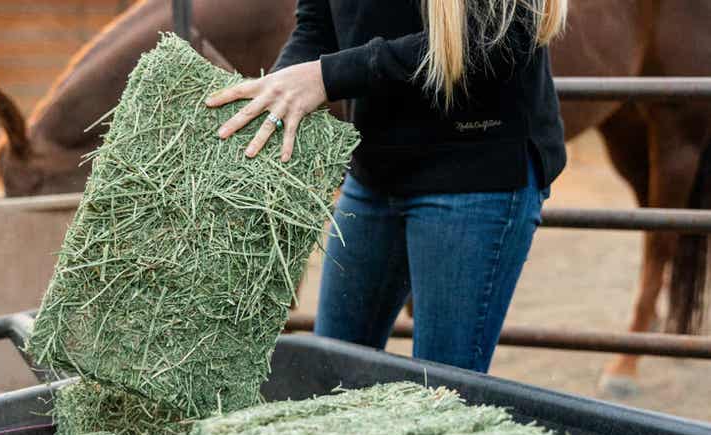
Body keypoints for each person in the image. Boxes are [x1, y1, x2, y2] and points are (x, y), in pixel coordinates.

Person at [206, 0, 567, 373]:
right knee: (330, 376)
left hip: (472, 173)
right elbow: (317, 27)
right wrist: (275, 95)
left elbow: (497, 41)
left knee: (441, 396)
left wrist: (327, 76)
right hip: (374, 172)